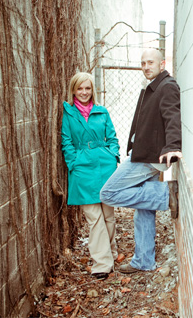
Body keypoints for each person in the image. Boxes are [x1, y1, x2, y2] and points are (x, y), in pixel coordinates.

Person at [100, 48, 181, 274]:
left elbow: (172, 116)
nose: (146, 66)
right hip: (144, 152)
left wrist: (173, 146)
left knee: (108, 193)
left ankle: (165, 194)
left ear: (162, 63)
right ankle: (144, 261)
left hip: (148, 156)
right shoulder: (153, 86)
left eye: (150, 62)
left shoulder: (167, 86)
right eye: (143, 63)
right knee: (144, 209)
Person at [61, 72, 120, 279]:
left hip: (105, 165)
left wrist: (113, 155)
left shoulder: (102, 112)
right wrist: (73, 162)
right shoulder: (68, 113)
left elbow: (112, 137)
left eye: (87, 88)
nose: (84, 92)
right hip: (82, 168)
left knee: (108, 215)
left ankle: (111, 254)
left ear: (92, 90)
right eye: (80, 88)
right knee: (94, 217)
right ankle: (102, 263)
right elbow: (66, 141)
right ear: (73, 90)